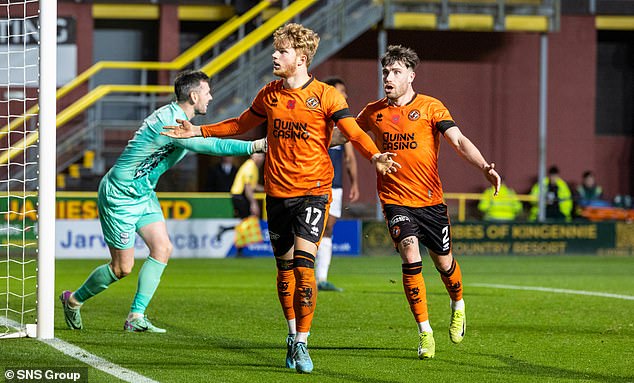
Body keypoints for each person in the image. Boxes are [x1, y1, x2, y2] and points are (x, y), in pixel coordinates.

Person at [162, 23, 399, 374]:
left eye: (282, 51)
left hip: (314, 192)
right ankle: (291, 334)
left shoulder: (327, 96)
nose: (274, 55)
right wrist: (199, 130)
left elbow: (352, 131)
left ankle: (303, 342)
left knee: (305, 268)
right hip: (277, 193)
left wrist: (375, 155)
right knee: (285, 270)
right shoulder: (269, 94)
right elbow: (242, 123)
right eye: (276, 50)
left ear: (301, 58)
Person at [59, 70, 267, 334]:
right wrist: (255, 146)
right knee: (122, 268)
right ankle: (73, 300)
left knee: (163, 248)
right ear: (193, 96)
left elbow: (204, 139)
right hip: (120, 195)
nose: (211, 97)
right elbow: (212, 146)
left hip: (143, 194)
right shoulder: (170, 124)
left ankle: (136, 316)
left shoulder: (179, 120)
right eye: (207, 92)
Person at [337, 45, 500, 360]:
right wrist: (299, 137)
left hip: (431, 202)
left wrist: (484, 168)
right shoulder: (373, 111)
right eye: (386, 71)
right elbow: (345, 135)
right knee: (410, 252)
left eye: (396, 72)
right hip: (395, 201)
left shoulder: (431, 107)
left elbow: (459, 141)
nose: (389, 77)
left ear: (411, 76)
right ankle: (425, 333)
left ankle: (458, 305)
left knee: (444, 263)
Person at [315, 77, 359, 292]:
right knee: (315, 228)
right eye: (342, 91)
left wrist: (355, 184)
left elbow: (350, 156)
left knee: (328, 228)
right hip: (314, 183)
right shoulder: (318, 119)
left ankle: (321, 278)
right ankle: (304, 275)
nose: (346, 96)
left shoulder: (343, 123)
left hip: (336, 185)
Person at [231, 153, 265, 219]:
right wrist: (253, 203)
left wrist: (268, 190)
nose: (261, 158)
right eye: (258, 156)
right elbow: (248, 187)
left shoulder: (253, 166)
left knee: (247, 220)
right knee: (248, 220)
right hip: (240, 196)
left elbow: (254, 186)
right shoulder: (250, 167)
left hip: (241, 196)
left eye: (262, 156)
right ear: (252, 155)